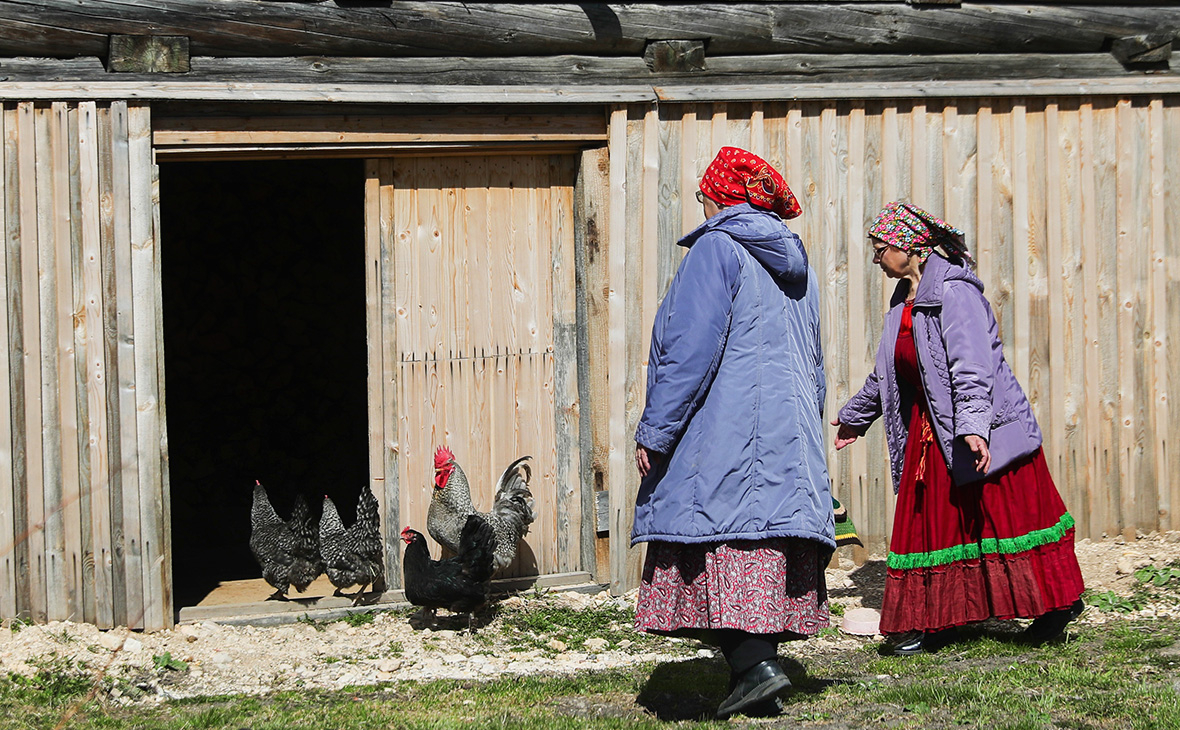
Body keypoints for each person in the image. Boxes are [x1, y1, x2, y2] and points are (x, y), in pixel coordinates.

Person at [632, 147, 833, 719]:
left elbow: (687, 351)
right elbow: (813, 361)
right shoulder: (797, 265)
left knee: (716, 538)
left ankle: (755, 667)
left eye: (703, 195)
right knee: (758, 541)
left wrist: (656, 429)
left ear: (720, 196)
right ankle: (756, 673)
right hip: (785, 435)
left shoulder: (717, 249)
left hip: (723, 429)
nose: (701, 205)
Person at [832, 201, 1085, 655]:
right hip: (930, 433)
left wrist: (973, 428)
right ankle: (942, 618)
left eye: (880, 248)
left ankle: (1053, 607)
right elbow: (890, 373)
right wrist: (856, 415)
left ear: (911, 248)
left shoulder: (954, 293)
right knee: (938, 528)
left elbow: (973, 366)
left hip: (974, 430)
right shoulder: (903, 302)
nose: (876, 257)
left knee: (1006, 520)